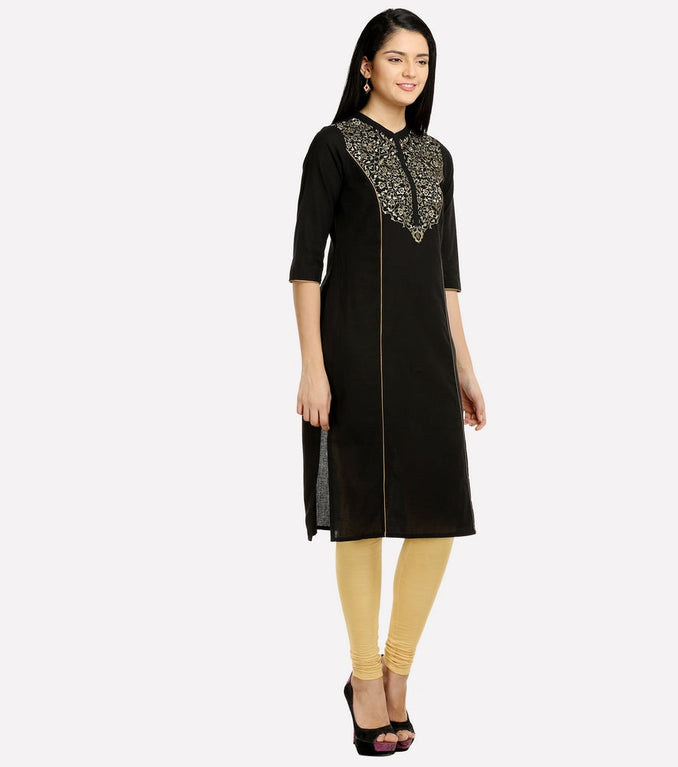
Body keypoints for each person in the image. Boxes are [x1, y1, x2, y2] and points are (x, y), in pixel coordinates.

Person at [288, 8, 487, 757]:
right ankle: (365, 681)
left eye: (422, 61)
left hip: (428, 360)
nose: (411, 72)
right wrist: (312, 366)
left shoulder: (438, 157)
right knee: (362, 515)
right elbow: (305, 267)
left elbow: (446, 277)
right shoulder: (333, 146)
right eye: (396, 58)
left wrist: (465, 366)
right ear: (366, 65)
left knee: (438, 516)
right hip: (353, 358)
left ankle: (398, 668)